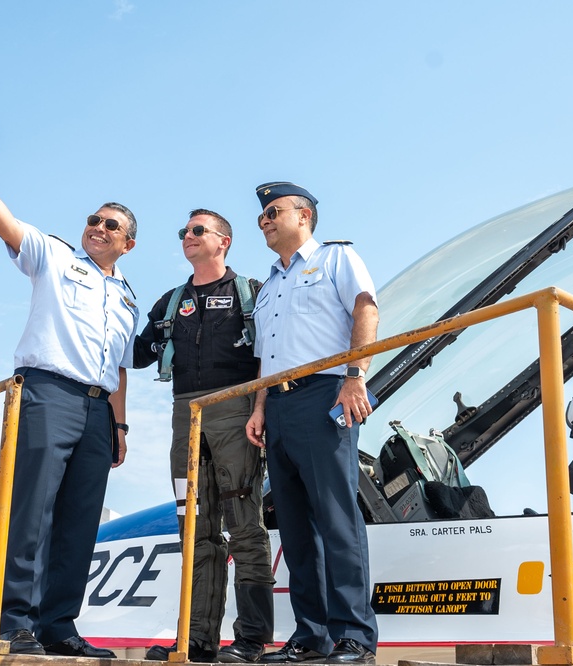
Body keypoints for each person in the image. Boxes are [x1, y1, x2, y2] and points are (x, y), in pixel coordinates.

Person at [0, 133, 139, 658]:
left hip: (98, 411)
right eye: (94, 220)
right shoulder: (57, 258)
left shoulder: (127, 296)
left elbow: (120, 369)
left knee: (81, 522)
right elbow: (7, 224)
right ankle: (15, 623)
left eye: (111, 226)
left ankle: (60, 624)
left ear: (129, 243)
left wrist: (119, 426)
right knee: (32, 512)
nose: (97, 228)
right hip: (48, 394)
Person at [244, 182, 380, 664]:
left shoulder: (336, 259)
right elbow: (266, 356)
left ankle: (354, 637)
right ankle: (312, 634)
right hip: (278, 407)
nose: (264, 219)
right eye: (261, 214)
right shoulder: (270, 286)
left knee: (337, 519)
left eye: (273, 211)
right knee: (297, 529)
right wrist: (259, 408)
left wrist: (355, 376)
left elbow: (366, 308)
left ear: (303, 215)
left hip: (325, 393)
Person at [134, 209, 275, 663]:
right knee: (194, 529)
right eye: (184, 232)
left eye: (198, 231)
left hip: (236, 409)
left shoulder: (252, 293)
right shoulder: (170, 302)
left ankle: (252, 639)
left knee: (245, 527)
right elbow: (134, 352)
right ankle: (195, 639)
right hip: (184, 416)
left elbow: (271, 353)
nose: (188, 237)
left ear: (224, 242)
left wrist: (259, 408)